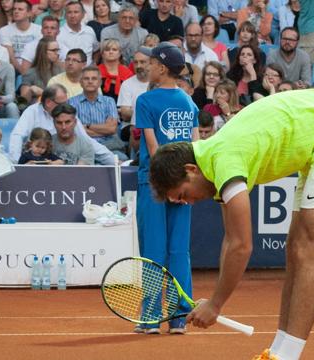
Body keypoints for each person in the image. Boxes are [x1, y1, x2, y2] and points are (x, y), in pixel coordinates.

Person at [148, 89, 314, 360]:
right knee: (294, 247)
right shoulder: (211, 158)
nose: (190, 202)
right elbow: (230, 240)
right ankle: (277, 352)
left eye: (184, 194)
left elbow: (242, 246)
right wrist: (213, 301)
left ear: (190, 170)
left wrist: (216, 304)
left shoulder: (225, 161)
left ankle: (287, 356)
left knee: (307, 248)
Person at [135, 42, 199, 335]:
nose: (145, 67)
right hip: (184, 183)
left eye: (149, 63)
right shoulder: (189, 103)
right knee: (178, 252)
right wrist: (185, 183)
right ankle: (178, 319)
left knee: (154, 250)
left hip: (155, 183)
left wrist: (165, 184)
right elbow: (197, 148)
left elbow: (153, 148)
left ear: (161, 68)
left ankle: (149, 318)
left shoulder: (145, 101)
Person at [8, 84, 116, 163]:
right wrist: (18, 165)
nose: (66, 105)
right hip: (33, 162)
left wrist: (113, 161)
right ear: (49, 102)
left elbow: (86, 140)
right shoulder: (32, 111)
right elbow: (17, 136)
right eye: (62, 103)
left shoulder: (67, 112)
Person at [68, 66, 124, 158]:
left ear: (100, 82)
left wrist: (87, 126)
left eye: (94, 78)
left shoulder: (109, 101)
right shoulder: (72, 102)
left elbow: (112, 129)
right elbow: (75, 130)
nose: (90, 81)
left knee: (122, 159)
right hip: (82, 146)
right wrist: (104, 129)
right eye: (86, 78)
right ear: (81, 82)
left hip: (109, 146)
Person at [0, 0, 42, 69]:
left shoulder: (39, 30)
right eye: (14, 9)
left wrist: (28, 72)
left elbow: (39, 55)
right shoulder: (4, 30)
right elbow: (10, 57)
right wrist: (22, 71)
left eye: (20, 9)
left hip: (34, 69)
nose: (16, 11)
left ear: (29, 13)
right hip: (12, 68)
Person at [20, 37, 63, 103]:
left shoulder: (61, 71)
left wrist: (42, 93)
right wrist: (30, 91)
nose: (57, 53)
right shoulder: (30, 73)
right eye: (54, 50)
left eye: (58, 50)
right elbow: (22, 103)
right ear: (43, 52)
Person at [57, 1, 97, 65]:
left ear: (83, 15)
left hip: (88, 72)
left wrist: (94, 64)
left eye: (76, 12)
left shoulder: (89, 30)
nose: (72, 15)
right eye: (69, 12)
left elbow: (96, 51)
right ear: (65, 15)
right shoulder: (58, 34)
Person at [118, 46, 149, 126]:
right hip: (130, 126)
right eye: (135, 62)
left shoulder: (159, 83)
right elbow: (125, 115)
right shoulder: (127, 84)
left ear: (151, 63)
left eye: (142, 62)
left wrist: (134, 110)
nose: (138, 66)